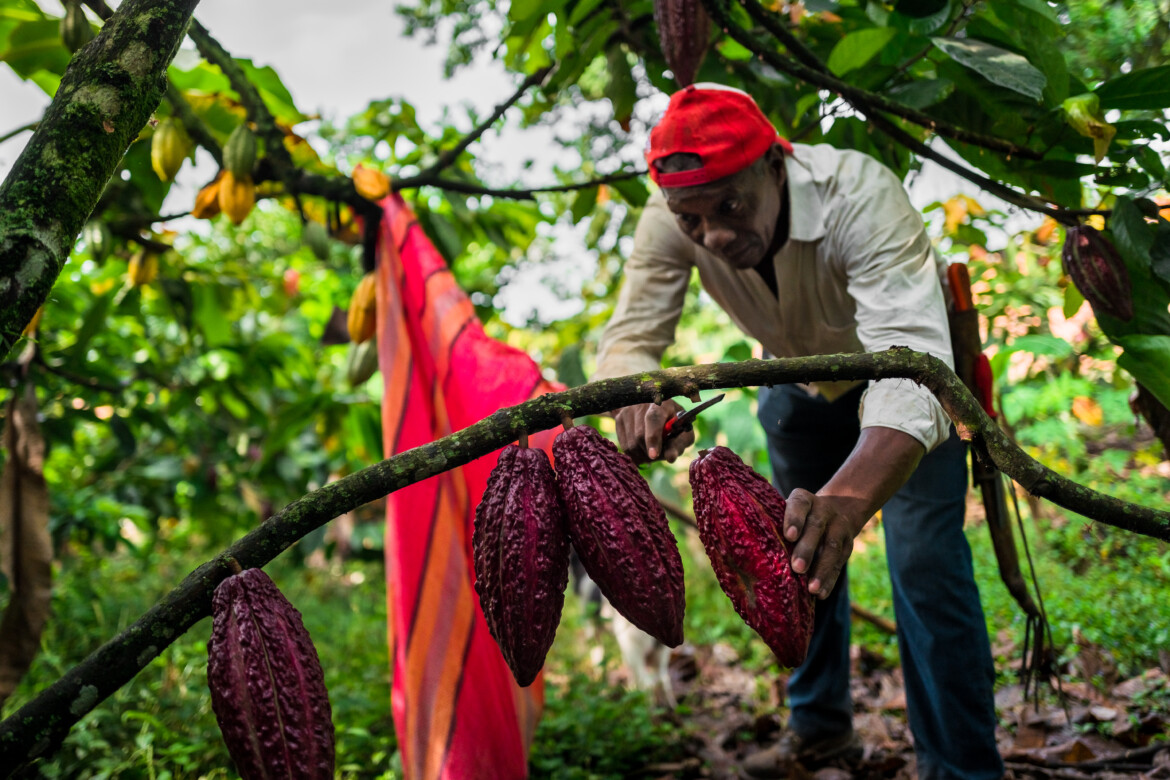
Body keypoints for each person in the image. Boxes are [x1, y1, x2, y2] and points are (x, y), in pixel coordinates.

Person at [591, 83, 1004, 780]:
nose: (714, 235)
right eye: (692, 219)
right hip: (794, 382)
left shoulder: (857, 194)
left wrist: (849, 499)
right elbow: (632, 339)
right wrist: (638, 394)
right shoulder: (669, 220)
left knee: (925, 562)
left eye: (731, 206)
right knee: (797, 562)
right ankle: (818, 731)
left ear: (774, 166)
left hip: (914, 384)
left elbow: (913, 368)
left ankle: (961, 767)